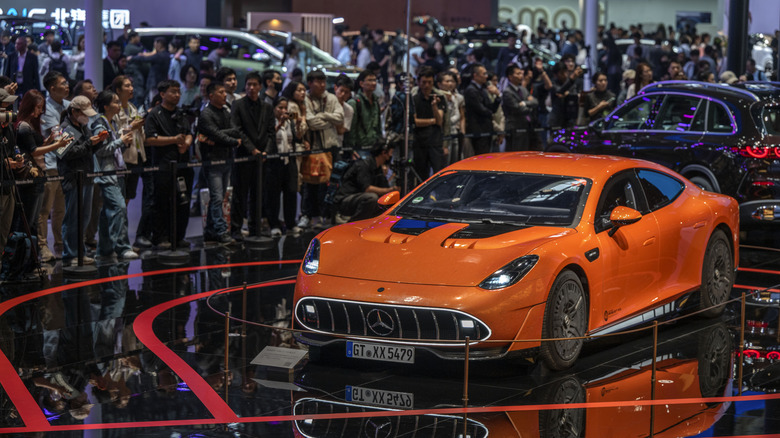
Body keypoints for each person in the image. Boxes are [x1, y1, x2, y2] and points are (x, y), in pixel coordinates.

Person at [12, 90, 69, 250]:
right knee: (30, 220)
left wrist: (50, 141)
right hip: (30, 176)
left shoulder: (28, 124)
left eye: (41, 108)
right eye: (38, 107)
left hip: (36, 174)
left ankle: (32, 257)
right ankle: (29, 256)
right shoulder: (23, 126)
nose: (40, 112)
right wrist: (57, 145)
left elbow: (36, 147)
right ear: (30, 106)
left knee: (35, 218)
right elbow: (33, 151)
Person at [144, 80, 193, 247]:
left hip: (182, 164)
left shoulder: (181, 113)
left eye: (178, 92)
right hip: (162, 166)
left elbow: (189, 133)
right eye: (173, 92)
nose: (177, 95)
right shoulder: (154, 114)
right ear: (163, 94)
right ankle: (161, 237)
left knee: (183, 202)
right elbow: (149, 139)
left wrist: (186, 142)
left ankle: (178, 236)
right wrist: (173, 140)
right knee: (162, 202)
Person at [91, 90, 137, 260]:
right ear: (105, 106)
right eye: (116, 102)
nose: (119, 105)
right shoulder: (99, 124)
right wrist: (121, 141)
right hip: (106, 173)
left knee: (106, 213)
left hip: (116, 171)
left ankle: (104, 250)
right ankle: (123, 247)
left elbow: (114, 149)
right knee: (119, 208)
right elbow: (101, 150)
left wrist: (123, 143)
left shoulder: (112, 123)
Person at [58, 96, 103, 266]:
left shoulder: (84, 127)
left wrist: (98, 142)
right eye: (84, 113)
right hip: (72, 178)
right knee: (72, 218)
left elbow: (87, 150)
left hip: (86, 176)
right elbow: (65, 153)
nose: (87, 117)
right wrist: (89, 144)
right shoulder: (64, 128)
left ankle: (80, 251)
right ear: (74, 112)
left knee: (84, 217)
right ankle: (70, 254)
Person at [230, 72, 275, 239]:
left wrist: (266, 152)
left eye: (255, 84)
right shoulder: (238, 104)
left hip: (262, 157)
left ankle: (255, 228)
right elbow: (237, 130)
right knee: (240, 195)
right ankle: (235, 230)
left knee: (259, 194)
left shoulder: (267, 107)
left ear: (260, 86)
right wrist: (252, 149)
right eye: (248, 84)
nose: (251, 88)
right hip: (244, 156)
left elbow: (271, 132)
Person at [198, 81, 242, 244]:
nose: (225, 95)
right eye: (221, 92)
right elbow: (223, 135)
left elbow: (234, 130)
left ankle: (210, 230)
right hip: (213, 161)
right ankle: (221, 230)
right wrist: (229, 140)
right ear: (211, 95)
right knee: (217, 197)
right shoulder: (206, 114)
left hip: (226, 159)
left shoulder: (225, 111)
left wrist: (215, 137)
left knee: (220, 197)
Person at [300, 70, 344, 230]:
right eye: (318, 82)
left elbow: (340, 118)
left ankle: (328, 215)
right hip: (314, 148)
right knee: (310, 184)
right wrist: (329, 120)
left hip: (331, 147)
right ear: (310, 83)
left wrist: (324, 115)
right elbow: (311, 123)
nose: (322, 85)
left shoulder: (331, 98)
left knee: (332, 184)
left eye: (324, 82)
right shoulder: (304, 98)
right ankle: (308, 215)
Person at [38, 71, 70, 261]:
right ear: (52, 88)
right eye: (63, 83)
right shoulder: (46, 108)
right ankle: (42, 246)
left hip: (65, 164)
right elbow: (58, 137)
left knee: (61, 209)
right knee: (45, 210)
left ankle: (60, 244)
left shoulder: (68, 105)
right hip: (50, 163)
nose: (67, 86)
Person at [334, 143, 398, 222]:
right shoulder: (364, 165)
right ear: (384, 153)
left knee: (386, 202)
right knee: (371, 198)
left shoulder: (379, 168)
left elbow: (385, 190)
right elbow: (367, 188)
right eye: (391, 153)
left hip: (360, 200)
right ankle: (353, 224)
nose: (391, 156)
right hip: (346, 200)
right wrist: (392, 189)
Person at [265, 97, 300, 236]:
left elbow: (296, 139)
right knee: (273, 194)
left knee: (291, 192)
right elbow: (267, 137)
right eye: (280, 108)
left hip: (289, 160)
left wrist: (299, 123)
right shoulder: (269, 122)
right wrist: (279, 124)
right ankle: (274, 224)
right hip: (274, 161)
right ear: (274, 109)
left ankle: (290, 223)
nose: (283, 111)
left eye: (286, 108)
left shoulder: (290, 122)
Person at [412, 67, 446, 180]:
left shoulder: (440, 98)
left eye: (429, 82)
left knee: (439, 175)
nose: (426, 85)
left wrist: (434, 106)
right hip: (419, 144)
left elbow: (440, 121)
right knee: (421, 176)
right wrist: (432, 121)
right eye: (424, 82)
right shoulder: (414, 99)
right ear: (418, 83)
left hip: (435, 143)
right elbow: (415, 122)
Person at [463, 63, 501, 155]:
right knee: (481, 157)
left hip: (486, 129)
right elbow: (481, 109)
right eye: (484, 74)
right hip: (478, 130)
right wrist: (490, 113)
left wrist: (497, 96)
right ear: (475, 75)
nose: (486, 76)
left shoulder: (483, 89)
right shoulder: (471, 90)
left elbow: (492, 108)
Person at [345, 70, 382, 158]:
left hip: (374, 148)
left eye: (374, 80)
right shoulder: (354, 103)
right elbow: (350, 130)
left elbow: (378, 126)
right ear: (361, 83)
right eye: (370, 80)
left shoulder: (376, 102)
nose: (373, 83)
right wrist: (351, 149)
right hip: (360, 149)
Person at [502, 65, 538, 151]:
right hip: (514, 127)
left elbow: (535, 102)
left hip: (526, 125)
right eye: (518, 74)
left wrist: (524, 103)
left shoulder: (523, 89)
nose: (521, 76)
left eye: (521, 73)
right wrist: (530, 108)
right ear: (510, 76)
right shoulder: (507, 92)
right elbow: (517, 109)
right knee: (515, 154)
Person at [0, 88, 19, 251]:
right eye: (6, 106)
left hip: (8, 183)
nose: (10, 110)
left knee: (5, 230)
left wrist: (16, 158)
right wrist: (3, 162)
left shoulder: (8, 127)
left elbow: (13, 148)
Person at [129, 37, 171, 103]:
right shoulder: (167, 55)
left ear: (159, 44)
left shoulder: (159, 56)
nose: (154, 47)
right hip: (162, 82)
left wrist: (132, 58)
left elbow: (145, 59)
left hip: (155, 83)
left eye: (155, 45)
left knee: (154, 102)